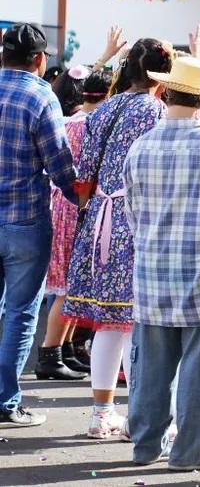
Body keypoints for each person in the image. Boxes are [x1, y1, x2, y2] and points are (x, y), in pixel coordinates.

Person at [123, 57, 200, 471]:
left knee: (151, 368)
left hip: (152, 271)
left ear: (165, 92)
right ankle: (189, 452)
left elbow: (133, 215)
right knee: (199, 370)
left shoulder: (141, 145)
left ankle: (144, 445)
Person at [62, 38, 172, 439]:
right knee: (136, 322)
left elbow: (84, 176)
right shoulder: (157, 111)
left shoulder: (104, 108)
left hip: (99, 219)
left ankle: (99, 414)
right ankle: (139, 416)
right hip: (136, 219)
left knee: (109, 323)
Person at [0, 23, 77, 428]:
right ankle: (6, 402)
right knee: (20, 312)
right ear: (39, 60)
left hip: (16, 218)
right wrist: (81, 198)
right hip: (25, 218)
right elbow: (60, 164)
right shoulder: (39, 95)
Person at [37, 67, 112, 380]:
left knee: (70, 285)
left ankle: (63, 350)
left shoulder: (72, 121)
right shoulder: (96, 125)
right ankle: (50, 354)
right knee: (68, 286)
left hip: (63, 202)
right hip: (77, 205)